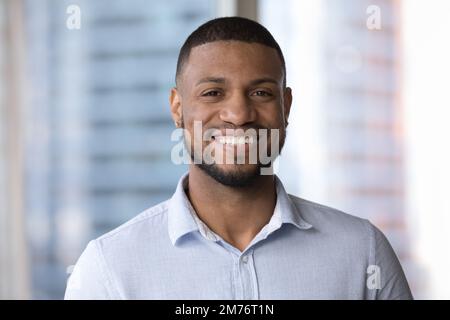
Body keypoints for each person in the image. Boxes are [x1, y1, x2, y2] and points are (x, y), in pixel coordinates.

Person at [65, 17, 412, 300]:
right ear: (177, 108)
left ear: (285, 107)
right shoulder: (108, 267)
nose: (238, 113)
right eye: (213, 92)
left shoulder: (363, 252)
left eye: (260, 93)